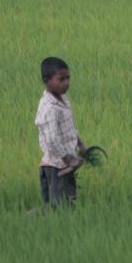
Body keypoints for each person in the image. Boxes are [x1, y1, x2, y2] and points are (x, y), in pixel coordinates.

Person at [34, 57, 87, 208]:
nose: (66, 83)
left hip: (64, 165)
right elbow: (51, 140)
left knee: (67, 205)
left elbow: (68, 128)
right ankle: (22, 220)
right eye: (61, 79)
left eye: (68, 78)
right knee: (56, 208)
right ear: (46, 80)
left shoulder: (63, 98)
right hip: (55, 167)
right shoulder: (50, 108)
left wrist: (80, 144)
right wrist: (69, 159)